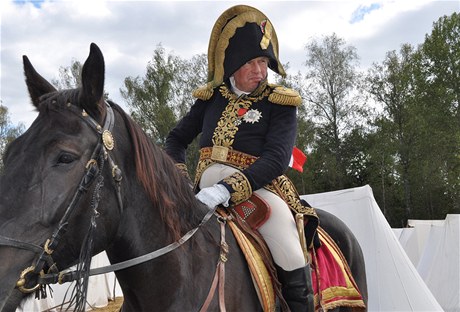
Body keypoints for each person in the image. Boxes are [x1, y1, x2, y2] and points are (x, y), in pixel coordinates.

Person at [165, 5, 317, 311]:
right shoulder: (210, 99)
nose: (260, 72)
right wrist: (180, 182)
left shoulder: (281, 102)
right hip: (202, 195)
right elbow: (175, 139)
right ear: (232, 63)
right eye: (252, 62)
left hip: (259, 192)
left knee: (289, 252)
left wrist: (226, 190)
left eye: (264, 62)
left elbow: (276, 158)